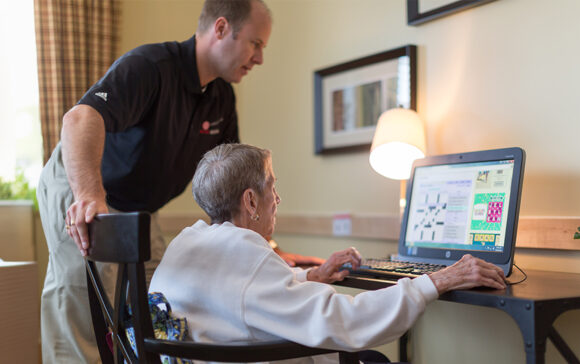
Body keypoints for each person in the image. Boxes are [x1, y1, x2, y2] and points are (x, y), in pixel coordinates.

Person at [37, 1, 319, 363]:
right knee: (83, 302)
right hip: (82, 181)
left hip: (140, 204)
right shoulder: (150, 67)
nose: (260, 58)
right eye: (256, 43)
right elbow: (79, 119)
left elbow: (232, 188)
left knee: (161, 300)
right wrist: (89, 197)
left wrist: (269, 249)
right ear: (220, 29)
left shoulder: (220, 97)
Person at [149, 143, 507, 364]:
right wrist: (438, 280)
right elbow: (347, 323)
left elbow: (240, 294)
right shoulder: (245, 251)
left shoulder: (189, 242)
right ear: (250, 200)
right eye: (272, 186)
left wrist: (310, 276)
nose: (278, 199)